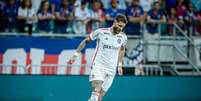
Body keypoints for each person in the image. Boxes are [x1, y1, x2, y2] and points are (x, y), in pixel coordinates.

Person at [68, 14, 128, 101]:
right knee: (96, 92)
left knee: (99, 97)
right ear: (114, 22)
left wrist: (120, 64)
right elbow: (86, 41)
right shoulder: (101, 32)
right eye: (119, 25)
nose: (120, 28)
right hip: (98, 66)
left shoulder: (123, 37)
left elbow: (122, 49)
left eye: (122, 27)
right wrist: (75, 55)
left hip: (111, 69)